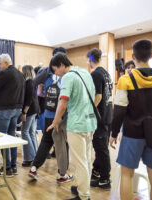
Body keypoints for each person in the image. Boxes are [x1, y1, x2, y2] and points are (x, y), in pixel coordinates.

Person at [110, 39, 152, 200]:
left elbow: (119, 111)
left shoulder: (125, 80)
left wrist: (113, 133)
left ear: (133, 56)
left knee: (127, 175)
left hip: (132, 134)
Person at [47, 53, 97, 200]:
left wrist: (55, 121)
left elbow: (63, 103)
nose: (56, 73)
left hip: (77, 124)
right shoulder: (85, 72)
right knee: (86, 159)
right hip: (90, 122)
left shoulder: (68, 77)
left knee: (79, 161)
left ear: (62, 64)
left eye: (55, 69)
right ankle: (83, 188)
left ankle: (84, 195)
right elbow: (94, 95)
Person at [29, 47, 71, 183]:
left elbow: (36, 86)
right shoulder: (67, 74)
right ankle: (62, 174)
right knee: (63, 145)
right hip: (62, 114)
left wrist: (43, 93)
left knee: (46, 141)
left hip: (48, 113)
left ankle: (34, 168)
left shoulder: (45, 72)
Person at [87, 48, 113, 189]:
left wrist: (88, 111)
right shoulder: (106, 73)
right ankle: (96, 171)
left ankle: (105, 179)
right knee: (100, 147)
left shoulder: (95, 74)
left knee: (101, 149)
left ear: (90, 60)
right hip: (108, 114)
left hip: (100, 117)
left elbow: (98, 96)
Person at [20, 65, 39, 167]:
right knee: (31, 132)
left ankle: (29, 158)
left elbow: (28, 99)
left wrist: (24, 112)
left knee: (25, 132)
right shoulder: (33, 81)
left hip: (30, 110)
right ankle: (35, 156)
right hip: (34, 110)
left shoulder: (29, 82)